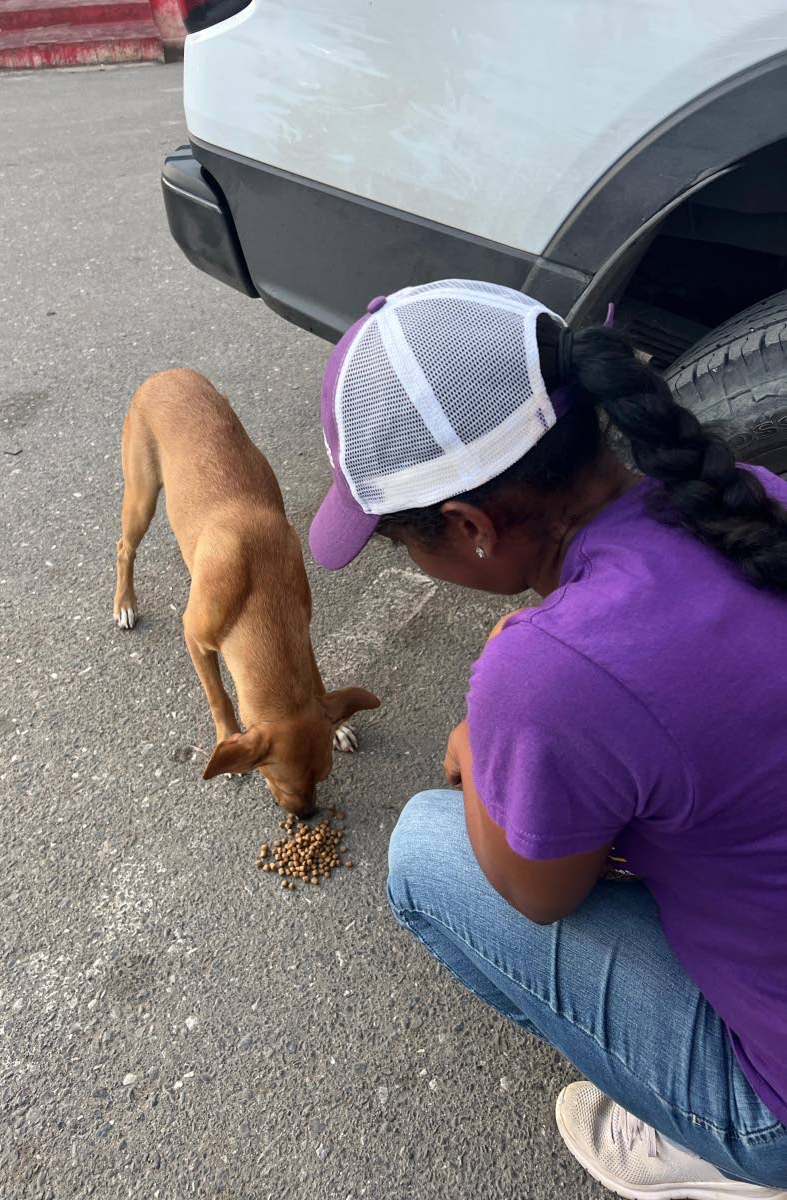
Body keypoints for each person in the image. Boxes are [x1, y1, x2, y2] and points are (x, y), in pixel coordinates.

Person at [308, 281, 787, 1199]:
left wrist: (483, 730)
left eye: (402, 542)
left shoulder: (548, 670)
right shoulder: (754, 500)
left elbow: (539, 898)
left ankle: (718, 1147)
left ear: (471, 527)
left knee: (424, 849)